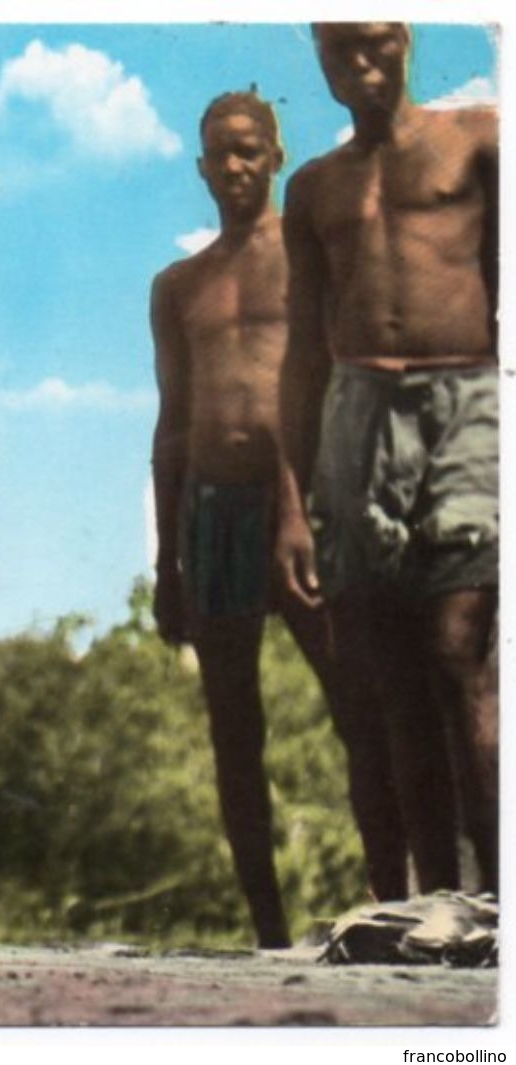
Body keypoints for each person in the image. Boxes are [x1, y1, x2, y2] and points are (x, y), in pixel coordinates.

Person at [152, 91, 408, 948]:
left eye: (249, 150)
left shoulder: (304, 262)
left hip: (298, 501)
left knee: (355, 700)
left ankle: (392, 899)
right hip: (209, 513)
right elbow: (171, 424)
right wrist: (166, 564)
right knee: (233, 726)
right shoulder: (177, 284)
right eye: (219, 154)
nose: (234, 167)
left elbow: (327, 384)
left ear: (275, 155)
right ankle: (266, 933)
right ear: (200, 167)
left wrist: (303, 504)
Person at [276, 24, 498, 894]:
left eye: (372, 45)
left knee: (456, 646)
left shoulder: (478, 139)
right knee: (394, 665)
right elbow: (302, 349)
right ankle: (438, 901)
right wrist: (293, 502)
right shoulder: (314, 189)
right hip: (356, 407)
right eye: (337, 52)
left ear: (403, 38)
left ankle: (497, 901)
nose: (357, 67)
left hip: (467, 396)